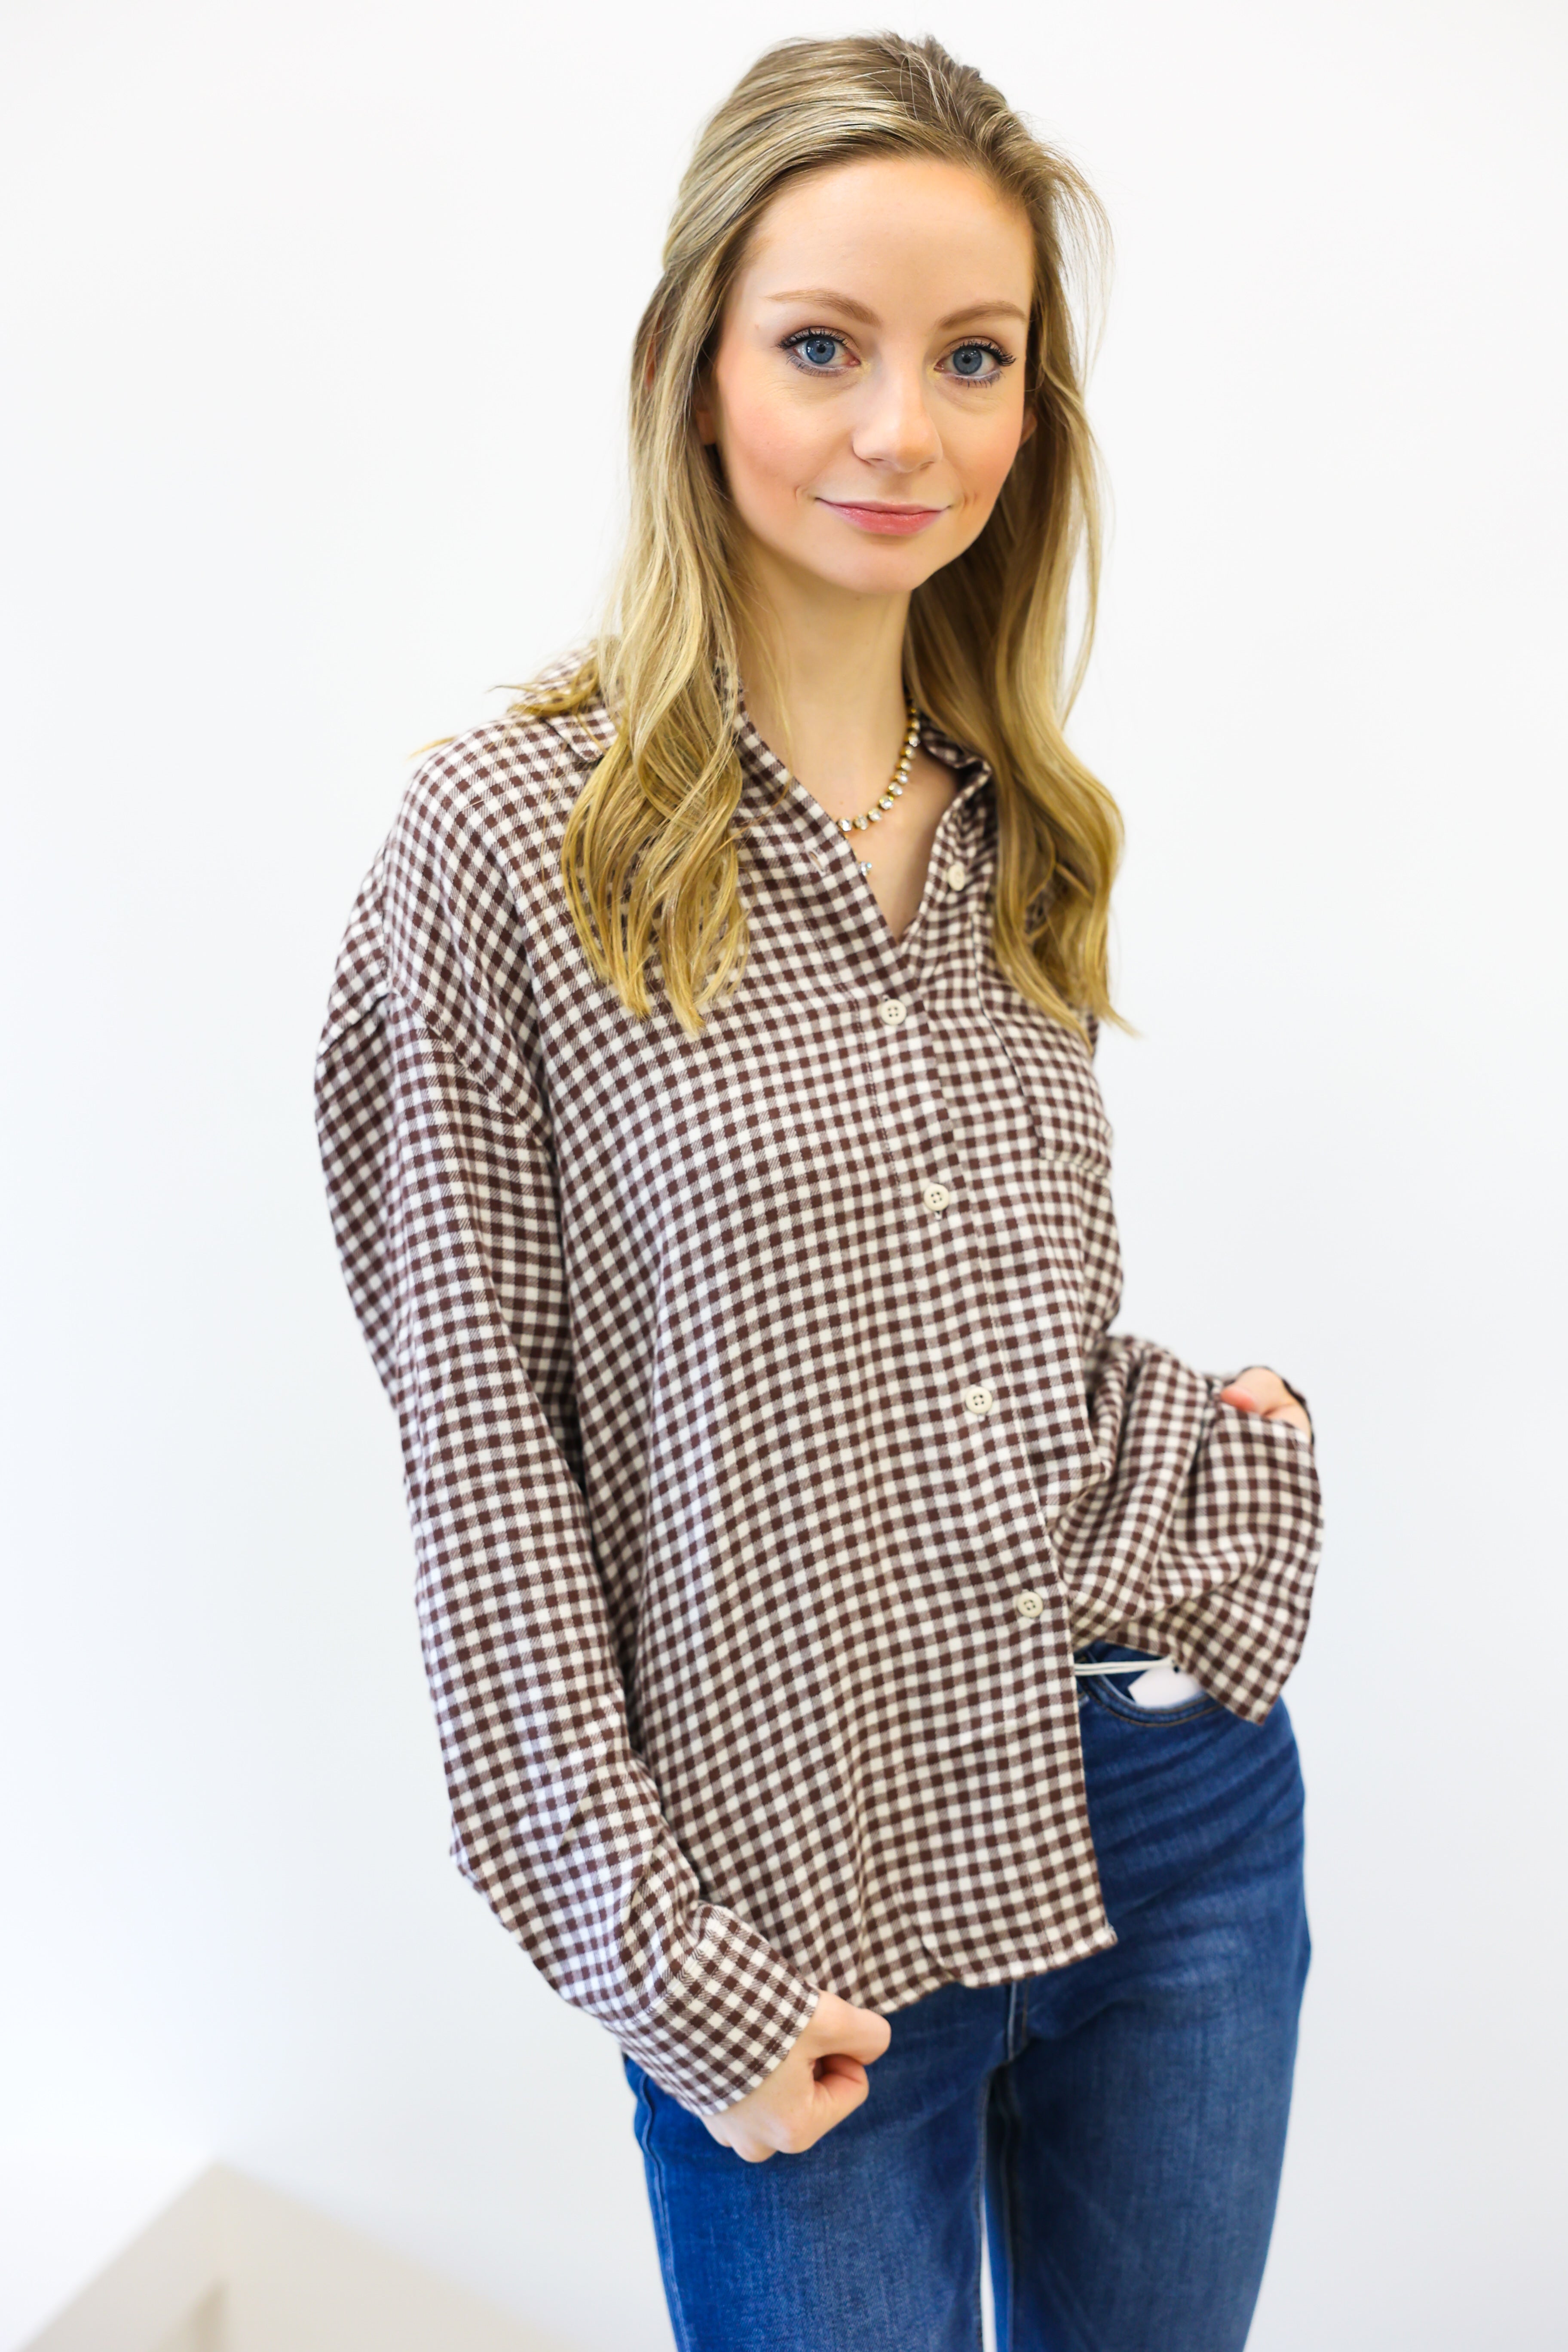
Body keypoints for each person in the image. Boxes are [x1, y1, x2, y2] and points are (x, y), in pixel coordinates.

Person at [315, 33, 1323, 2352]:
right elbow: (488, 1480)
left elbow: (981, 1335)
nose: (906, 430)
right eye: (822, 347)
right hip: (793, 1921)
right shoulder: (499, 855)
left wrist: (1229, 1452)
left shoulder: (1022, 827)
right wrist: (662, 1967)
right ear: (687, 368)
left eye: (976, 359)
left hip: (1170, 1820)